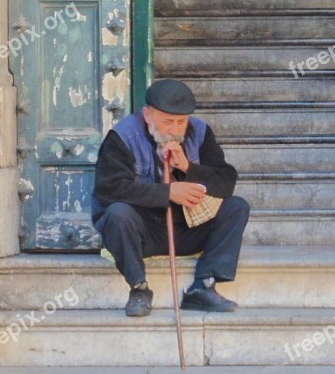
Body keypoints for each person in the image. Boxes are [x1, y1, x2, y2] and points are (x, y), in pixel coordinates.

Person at [91, 79, 250, 317]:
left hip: (187, 228)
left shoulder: (200, 132)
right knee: (117, 214)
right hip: (144, 233)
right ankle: (139, 289)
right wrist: (168, 193)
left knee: (236, 207)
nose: (174, 130)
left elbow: (227, 181)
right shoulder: (122, 137)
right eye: (167, 121)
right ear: (148, 115)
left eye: (181, 122)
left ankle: (203, 287)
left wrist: (187, 167)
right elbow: (109, 189)